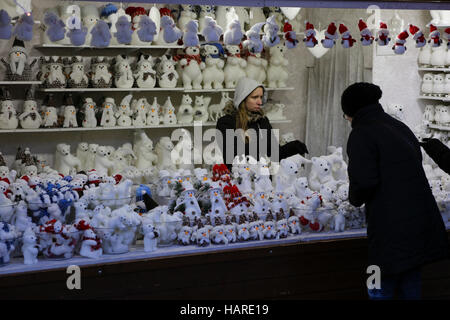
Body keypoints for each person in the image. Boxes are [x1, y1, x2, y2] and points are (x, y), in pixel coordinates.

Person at [341, 82, 449, 300]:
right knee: (410, 283)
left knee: (377, 283)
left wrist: (353, 199)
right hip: (416, 226)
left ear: (351, 112)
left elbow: (364, 181)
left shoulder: (362, 133)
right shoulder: (400, 127)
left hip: (387, 230)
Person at [216, 77, 308, 169]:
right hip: (241, 178)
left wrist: (293, 147)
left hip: (265, 178)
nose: (260, 102)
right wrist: (262, 147)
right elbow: (232, 156)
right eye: (255, 97)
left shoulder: (262, 120)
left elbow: (275, 154)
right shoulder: (226, 122)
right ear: (242, 98)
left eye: (261, 97)